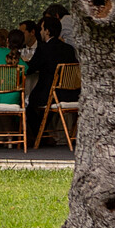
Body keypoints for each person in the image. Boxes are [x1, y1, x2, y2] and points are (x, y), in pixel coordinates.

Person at [26, 15, 78, 146]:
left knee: (29, 106)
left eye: (42, 29)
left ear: (48, 31)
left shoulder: (44, 48)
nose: (40, 32)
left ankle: (40, 138)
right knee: (46, 110)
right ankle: (46, 135)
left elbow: (30, 69)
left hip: (50, 94)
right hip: (70, 93)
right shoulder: (69, 49)